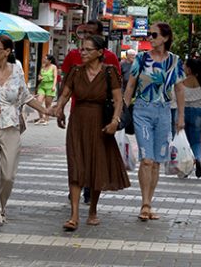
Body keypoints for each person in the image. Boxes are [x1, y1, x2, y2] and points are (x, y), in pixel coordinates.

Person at [0, 34, 54, 236]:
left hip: (11, 127)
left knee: (8, 175)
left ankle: (0, 207)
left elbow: (25, 96)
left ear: (7, 52)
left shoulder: (17, 70)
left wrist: (45, 110)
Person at [53, 35, 131, 231]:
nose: (83, 52)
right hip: (78, 121)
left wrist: (115, 121)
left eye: (88, 49)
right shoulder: (76, 71)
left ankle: (93, 210)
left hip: (99, 123)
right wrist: (59, 109)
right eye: (82, 49)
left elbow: (118, 99)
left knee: (96, 165)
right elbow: (65, 94)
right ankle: (74, 215)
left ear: (99, 52)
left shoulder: (109, 72)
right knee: (76, 164)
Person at [123, 22, 185, 221]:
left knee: (157, 161)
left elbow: (179, 89)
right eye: (148, 34)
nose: (149, 38)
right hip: (142, 110)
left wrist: (181, 117)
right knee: (146, 159)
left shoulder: (175, 61)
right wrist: (122, 111)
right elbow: (130, 86)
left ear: (165, 38)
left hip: (165, 112)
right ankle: (144, 203)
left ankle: (150, 202)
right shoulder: (141, 59)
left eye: (154, 35)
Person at [60, 20, 121, 204]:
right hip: (78, 115)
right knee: (77, 159)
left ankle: (90, 197)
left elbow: (117, 92)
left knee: (95, 160)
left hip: (100, 117)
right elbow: (65, 83)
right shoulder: (73, 56)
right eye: (84, 32)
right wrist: (59, 107)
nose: (85, 37)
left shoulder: (110, 59)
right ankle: (76, 199)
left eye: (90, 33)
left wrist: (115, 119)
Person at [35, 54, 58, 125]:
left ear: (50, 60)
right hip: (42, 86)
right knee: (38, 103)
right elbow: (40, 75)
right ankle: (41, 118)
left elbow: (55, 77)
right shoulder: (43, 66)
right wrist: (39, 77)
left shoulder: (53, 67)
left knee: (48, 104)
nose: (44, 60)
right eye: (44, 58)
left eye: (46, 59)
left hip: (50, 86)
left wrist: (54, 86)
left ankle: (46, 120)